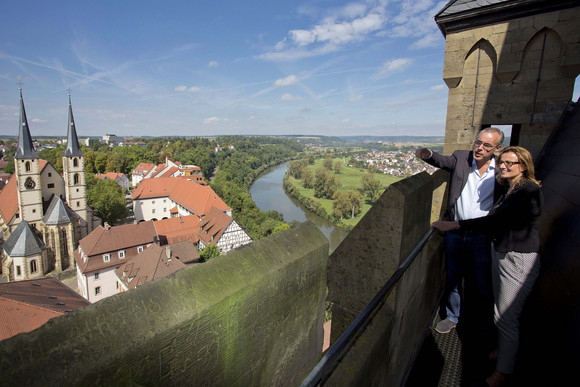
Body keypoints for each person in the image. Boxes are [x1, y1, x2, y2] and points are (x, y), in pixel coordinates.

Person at [433, 146, 543, 387]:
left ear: (522, 166)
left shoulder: (527, 190)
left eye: (509, 164)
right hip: (503, 253)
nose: (503, 166)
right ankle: (501, 352)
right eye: (502, 162)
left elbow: (496, 220)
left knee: (506, 316)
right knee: (499, 308)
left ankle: (502, 371)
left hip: (517, 259)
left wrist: (452, 226)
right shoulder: (513, 186)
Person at [416, 127, 505, 334]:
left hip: (482, 235)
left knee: (481, 281)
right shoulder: (462, 158)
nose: (480, 148)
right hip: (455, 232)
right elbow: (442, 161)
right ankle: (453, 316)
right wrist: (427, 154)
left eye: (486, 145)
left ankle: (481, 321)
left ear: (497, 148)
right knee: (453, 277)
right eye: (478, 142)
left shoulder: (501, 170)